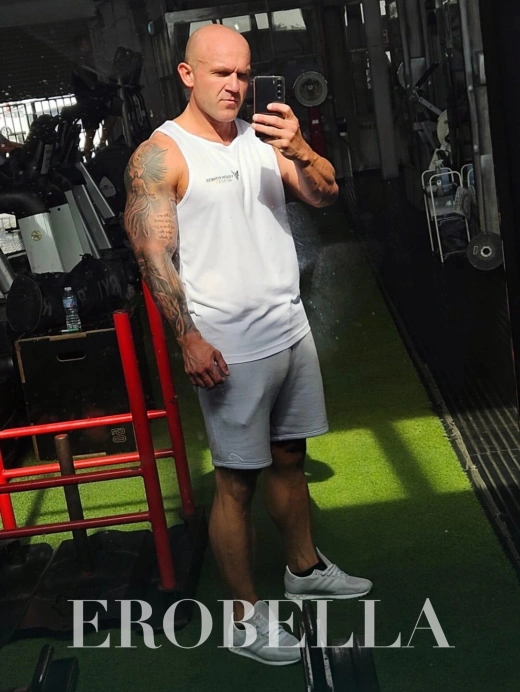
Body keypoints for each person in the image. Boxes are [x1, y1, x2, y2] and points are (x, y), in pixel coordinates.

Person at [124, 24, 372, 666]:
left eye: (242, 73)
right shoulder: (162, 154)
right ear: (187, 75)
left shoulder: (264, 136)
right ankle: (242, 618)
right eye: (220, 73)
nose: (234, 86)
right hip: (228, 348)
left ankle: (304, 568)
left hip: (289, 327)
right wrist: (188, 337)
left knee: (290, 457)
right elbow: (153, 255)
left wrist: (302, 148)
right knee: (236, 483)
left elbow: (324, 194)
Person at [71, 34, 122, 160]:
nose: (88, 45)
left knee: (111, 115)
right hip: (88, 101)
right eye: (86, 43)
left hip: (93, 99)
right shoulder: (79, 61)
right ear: (80, 45)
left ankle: (100, 144)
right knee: (91, 130)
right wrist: (99, 87)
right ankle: (88, 156)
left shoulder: (87, 59)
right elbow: (87, 80)